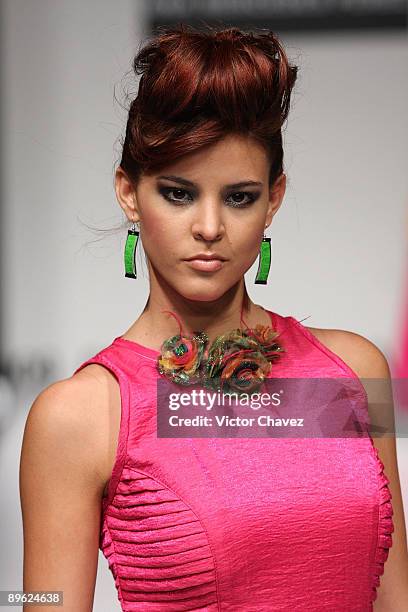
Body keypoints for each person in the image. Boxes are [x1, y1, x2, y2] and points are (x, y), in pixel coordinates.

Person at [20, 24, 408, 611]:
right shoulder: (80, 416)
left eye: (239, 196)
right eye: (178, 193)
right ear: (129, 191)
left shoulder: (351, 371)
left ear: (274, 198)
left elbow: (394, 597)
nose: (208, 227)